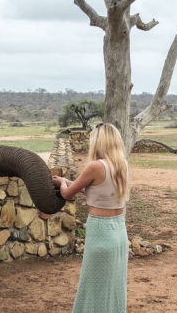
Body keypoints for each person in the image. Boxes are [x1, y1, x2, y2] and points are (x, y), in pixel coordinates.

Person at [52, 122, 130, 313]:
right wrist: (68, 184)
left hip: (101, 232)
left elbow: (67, 194)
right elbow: (93, 190)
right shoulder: (122, 165)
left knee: (94, 287)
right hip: (119, 232)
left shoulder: (95, 166)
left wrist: (61, 181)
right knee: (113, 288)